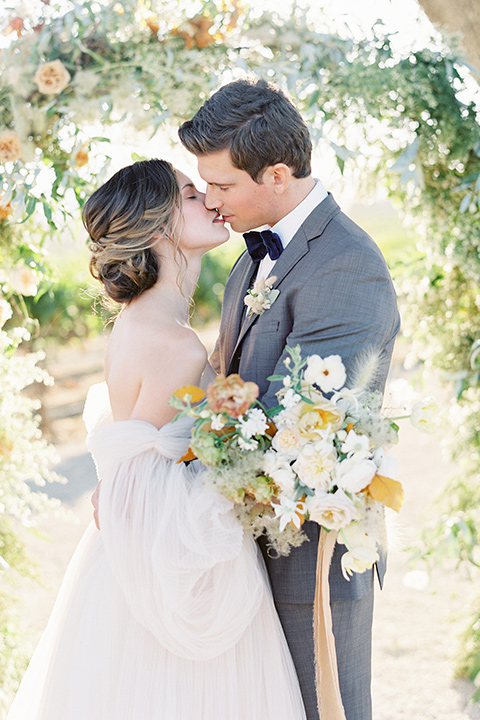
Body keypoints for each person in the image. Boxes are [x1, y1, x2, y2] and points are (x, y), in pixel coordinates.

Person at [6, 159, 306, 720]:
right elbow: (150, 472)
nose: (210, 200)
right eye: (192, 194)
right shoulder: (171, 341)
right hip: (165, 561)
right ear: (158, 223)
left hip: (128, 552)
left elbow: (136, 453)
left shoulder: (145, 322)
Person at [178, 77, 401, 720]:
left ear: (277, 174)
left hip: (311, 557)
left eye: (222, 186)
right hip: (250, 547)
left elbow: (294, 425)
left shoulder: (346, 265)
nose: (212, 202)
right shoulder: (252, 258)